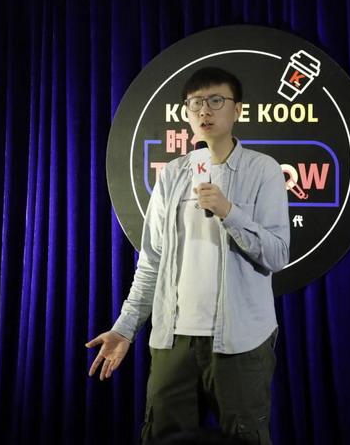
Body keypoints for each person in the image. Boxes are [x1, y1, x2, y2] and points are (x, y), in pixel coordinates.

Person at [87, 67, 290, 444]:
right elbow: (152, 261)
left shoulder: (264, 170)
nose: (205, 111)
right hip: (173, 339)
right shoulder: (173, 175)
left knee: (245, 436)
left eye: (216, 101)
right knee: (162, 435)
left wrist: (229, 212)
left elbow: (277, 255)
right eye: (195, 103)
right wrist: (125, 327)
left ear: (237, 110)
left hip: (240, 341)